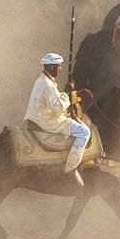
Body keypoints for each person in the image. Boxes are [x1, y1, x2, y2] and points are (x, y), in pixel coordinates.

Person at [27, 52, 90, 183]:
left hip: (40, 116)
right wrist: (67, 92)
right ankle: (70, 169)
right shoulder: (47, 84)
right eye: (58, 66)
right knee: (84, 132)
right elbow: (57, 107)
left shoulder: (43, 80)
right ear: (51, 67)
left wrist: (74, 92)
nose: (60, 69)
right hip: (47, 121)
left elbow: (55, 101)